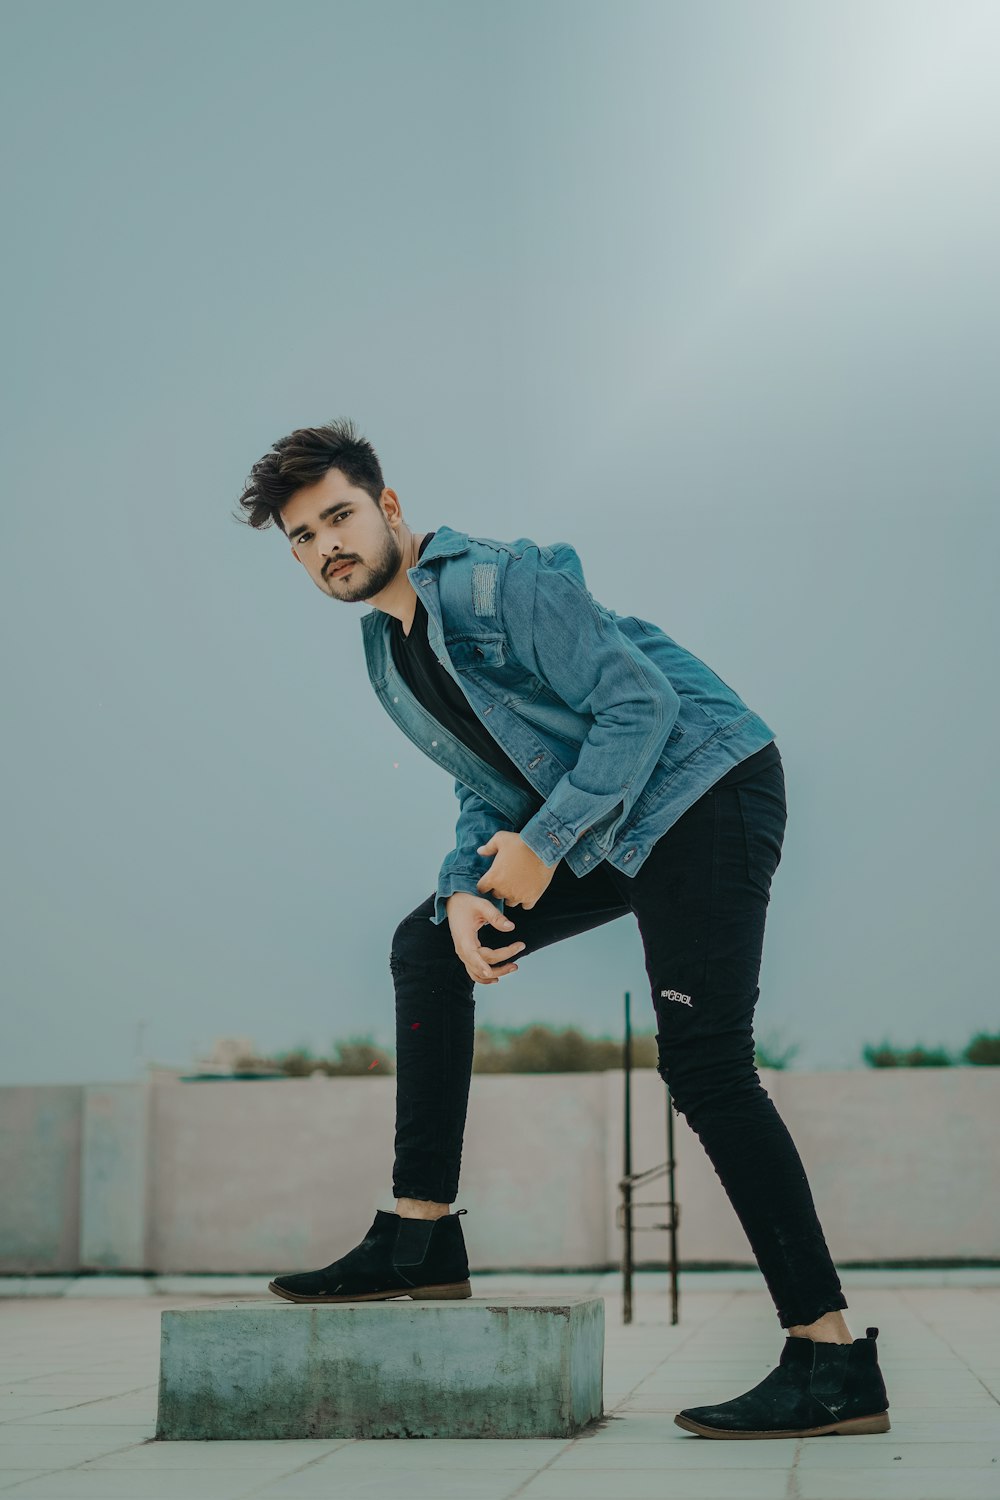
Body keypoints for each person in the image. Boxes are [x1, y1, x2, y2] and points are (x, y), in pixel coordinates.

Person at [232, 417, 890, 1439]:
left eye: (339, 517)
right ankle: (419, 1238)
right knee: (424, 943)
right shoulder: (387, 651)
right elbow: (488, 782)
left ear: (388, 507)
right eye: (303, 538)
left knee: (706, 1066)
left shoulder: (495, 584)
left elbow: (641, 704)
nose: (327, 546)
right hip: (606, 813)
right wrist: (464, 886)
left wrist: (545, 848)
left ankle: (830, 1355)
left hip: (705, 786)